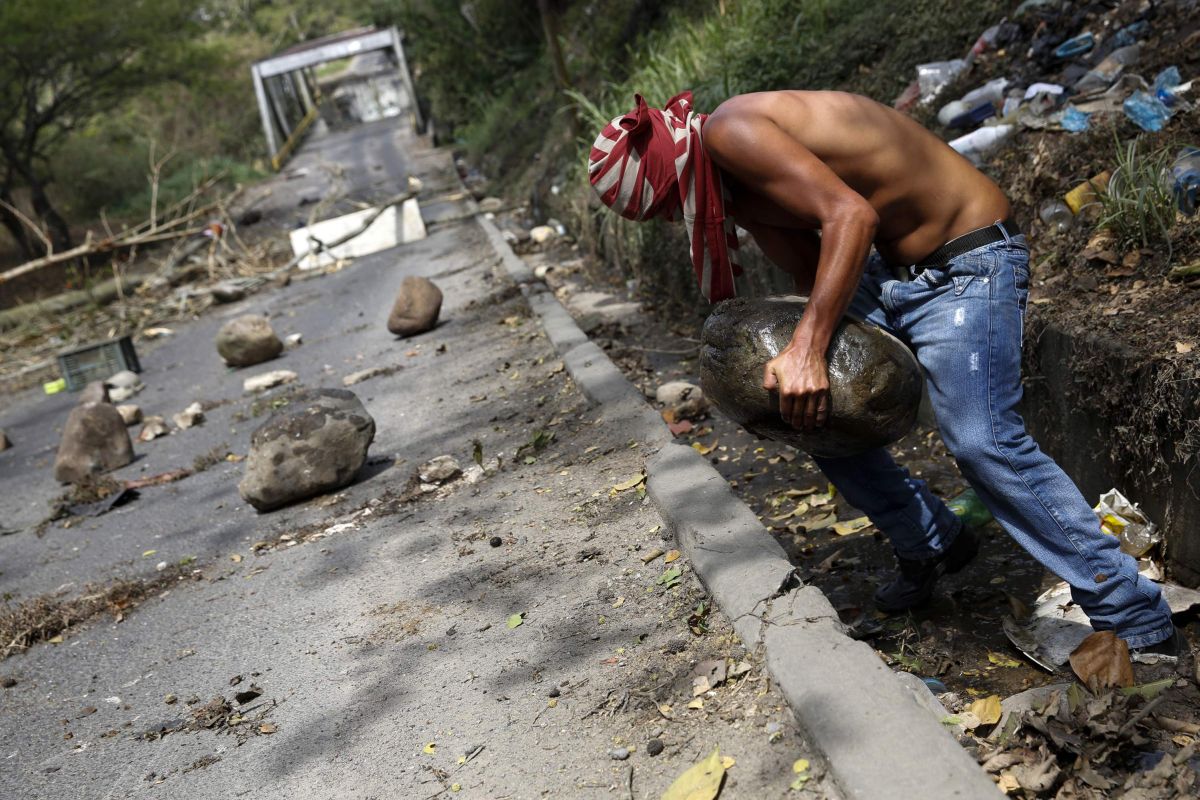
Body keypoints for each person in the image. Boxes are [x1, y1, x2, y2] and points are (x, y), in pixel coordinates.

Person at [588, 89, 1183, 658]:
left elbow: (852, 215)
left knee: (984, 442)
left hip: (968, 261)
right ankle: (931, 540)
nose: (679, 219)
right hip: (894, 273)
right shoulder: (732, 185)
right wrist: (798, 362)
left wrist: (809, 346)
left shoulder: (731, 132)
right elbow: (806, 272)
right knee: (804, 407)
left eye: (673, 206)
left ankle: (1132, 611)